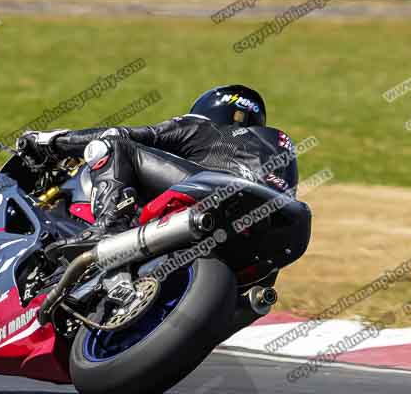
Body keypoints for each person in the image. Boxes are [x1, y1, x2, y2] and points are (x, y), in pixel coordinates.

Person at [20, 84, 299, 261]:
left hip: (217, 191)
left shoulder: (204, 127)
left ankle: (110, 224)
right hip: (272, 231)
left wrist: (49, 142)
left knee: (115, 147)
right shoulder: (280, 148)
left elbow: (122, 134)